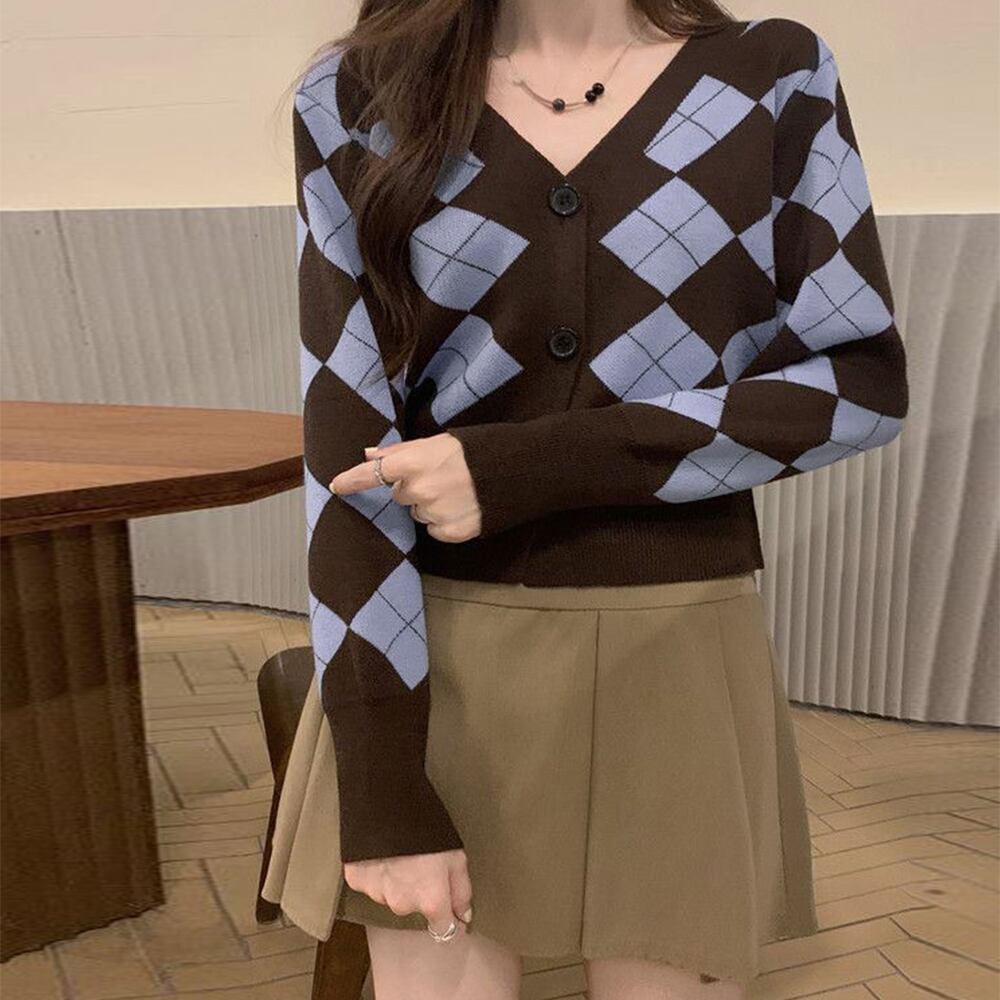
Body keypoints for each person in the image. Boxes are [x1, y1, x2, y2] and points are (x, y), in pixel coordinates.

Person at [261, 1, 909, 997]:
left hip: (676, 651)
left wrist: (525, 467)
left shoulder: (770, 75)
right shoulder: (360, 95)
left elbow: (859, 384)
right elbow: (347, 452)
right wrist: (383, 778)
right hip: (432, 655)